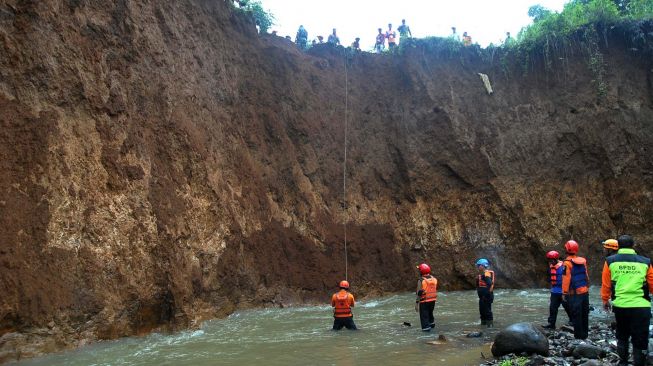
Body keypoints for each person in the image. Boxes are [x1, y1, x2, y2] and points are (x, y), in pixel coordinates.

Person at [601, 235, 653, 366]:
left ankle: (623, 361)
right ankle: (639, 363)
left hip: (621, 305)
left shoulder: (610, 261)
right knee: (640, 337)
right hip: (641, 306)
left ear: (618, 245)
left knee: (622, 334)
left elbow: (606, 284)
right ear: (633, 245)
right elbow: (652, 285)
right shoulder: (645, 261)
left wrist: (605, 300)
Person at [561, 240, 590, 339]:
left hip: (574, 294)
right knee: (585, 314)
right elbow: (586, 276)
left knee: (576, 316)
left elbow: (566, 279)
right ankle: (585, 334)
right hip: (584, 292)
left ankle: (578, 336)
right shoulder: (583, 261)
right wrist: (587, 287)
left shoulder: (567, 263)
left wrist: (564, 293)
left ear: (566, 249)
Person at [542, 251, 572, 329]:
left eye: (552, 259)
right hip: (555, 291)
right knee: (552, 307)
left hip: (563, 291)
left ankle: (572, 321)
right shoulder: (551, 266)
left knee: (567, 307)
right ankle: (551, 324)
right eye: (549, 260)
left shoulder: (563, 266)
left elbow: (568, 278)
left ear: (556, 259)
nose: (550, 261)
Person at [415, 263, 438, 331]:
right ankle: (432, 325)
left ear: (421, 272)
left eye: (419, 270)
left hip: (424, 301)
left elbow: (419, 293)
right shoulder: (434, 279)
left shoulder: (421, 280)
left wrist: (416, 303)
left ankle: (426, 331)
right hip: (432, 300)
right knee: (430, 313)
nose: (419, 271)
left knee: (424, 317)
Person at [476, 258, 494, 327]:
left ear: (483, 266)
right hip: (483, 297)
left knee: (487, 312)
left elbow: (489, 284)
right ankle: (483, 325)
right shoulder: (483, 274)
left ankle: (490, 327)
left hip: (486, 297)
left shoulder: (486, 274)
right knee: (482, 312)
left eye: (478, 265)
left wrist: (485, 295)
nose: (477, 267)